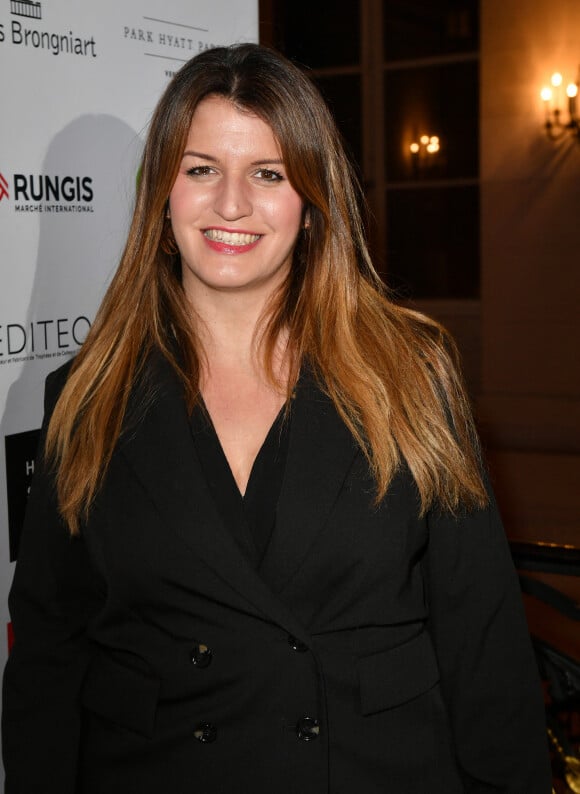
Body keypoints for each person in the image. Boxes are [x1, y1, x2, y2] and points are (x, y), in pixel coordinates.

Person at [2, 43, 552, 793]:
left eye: (268, 173)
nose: (232, 204)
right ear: (163, 192)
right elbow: (48, 655)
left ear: (313, 200)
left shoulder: (412, 375)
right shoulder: (87, 394)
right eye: (201, 169)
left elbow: (483, 644)